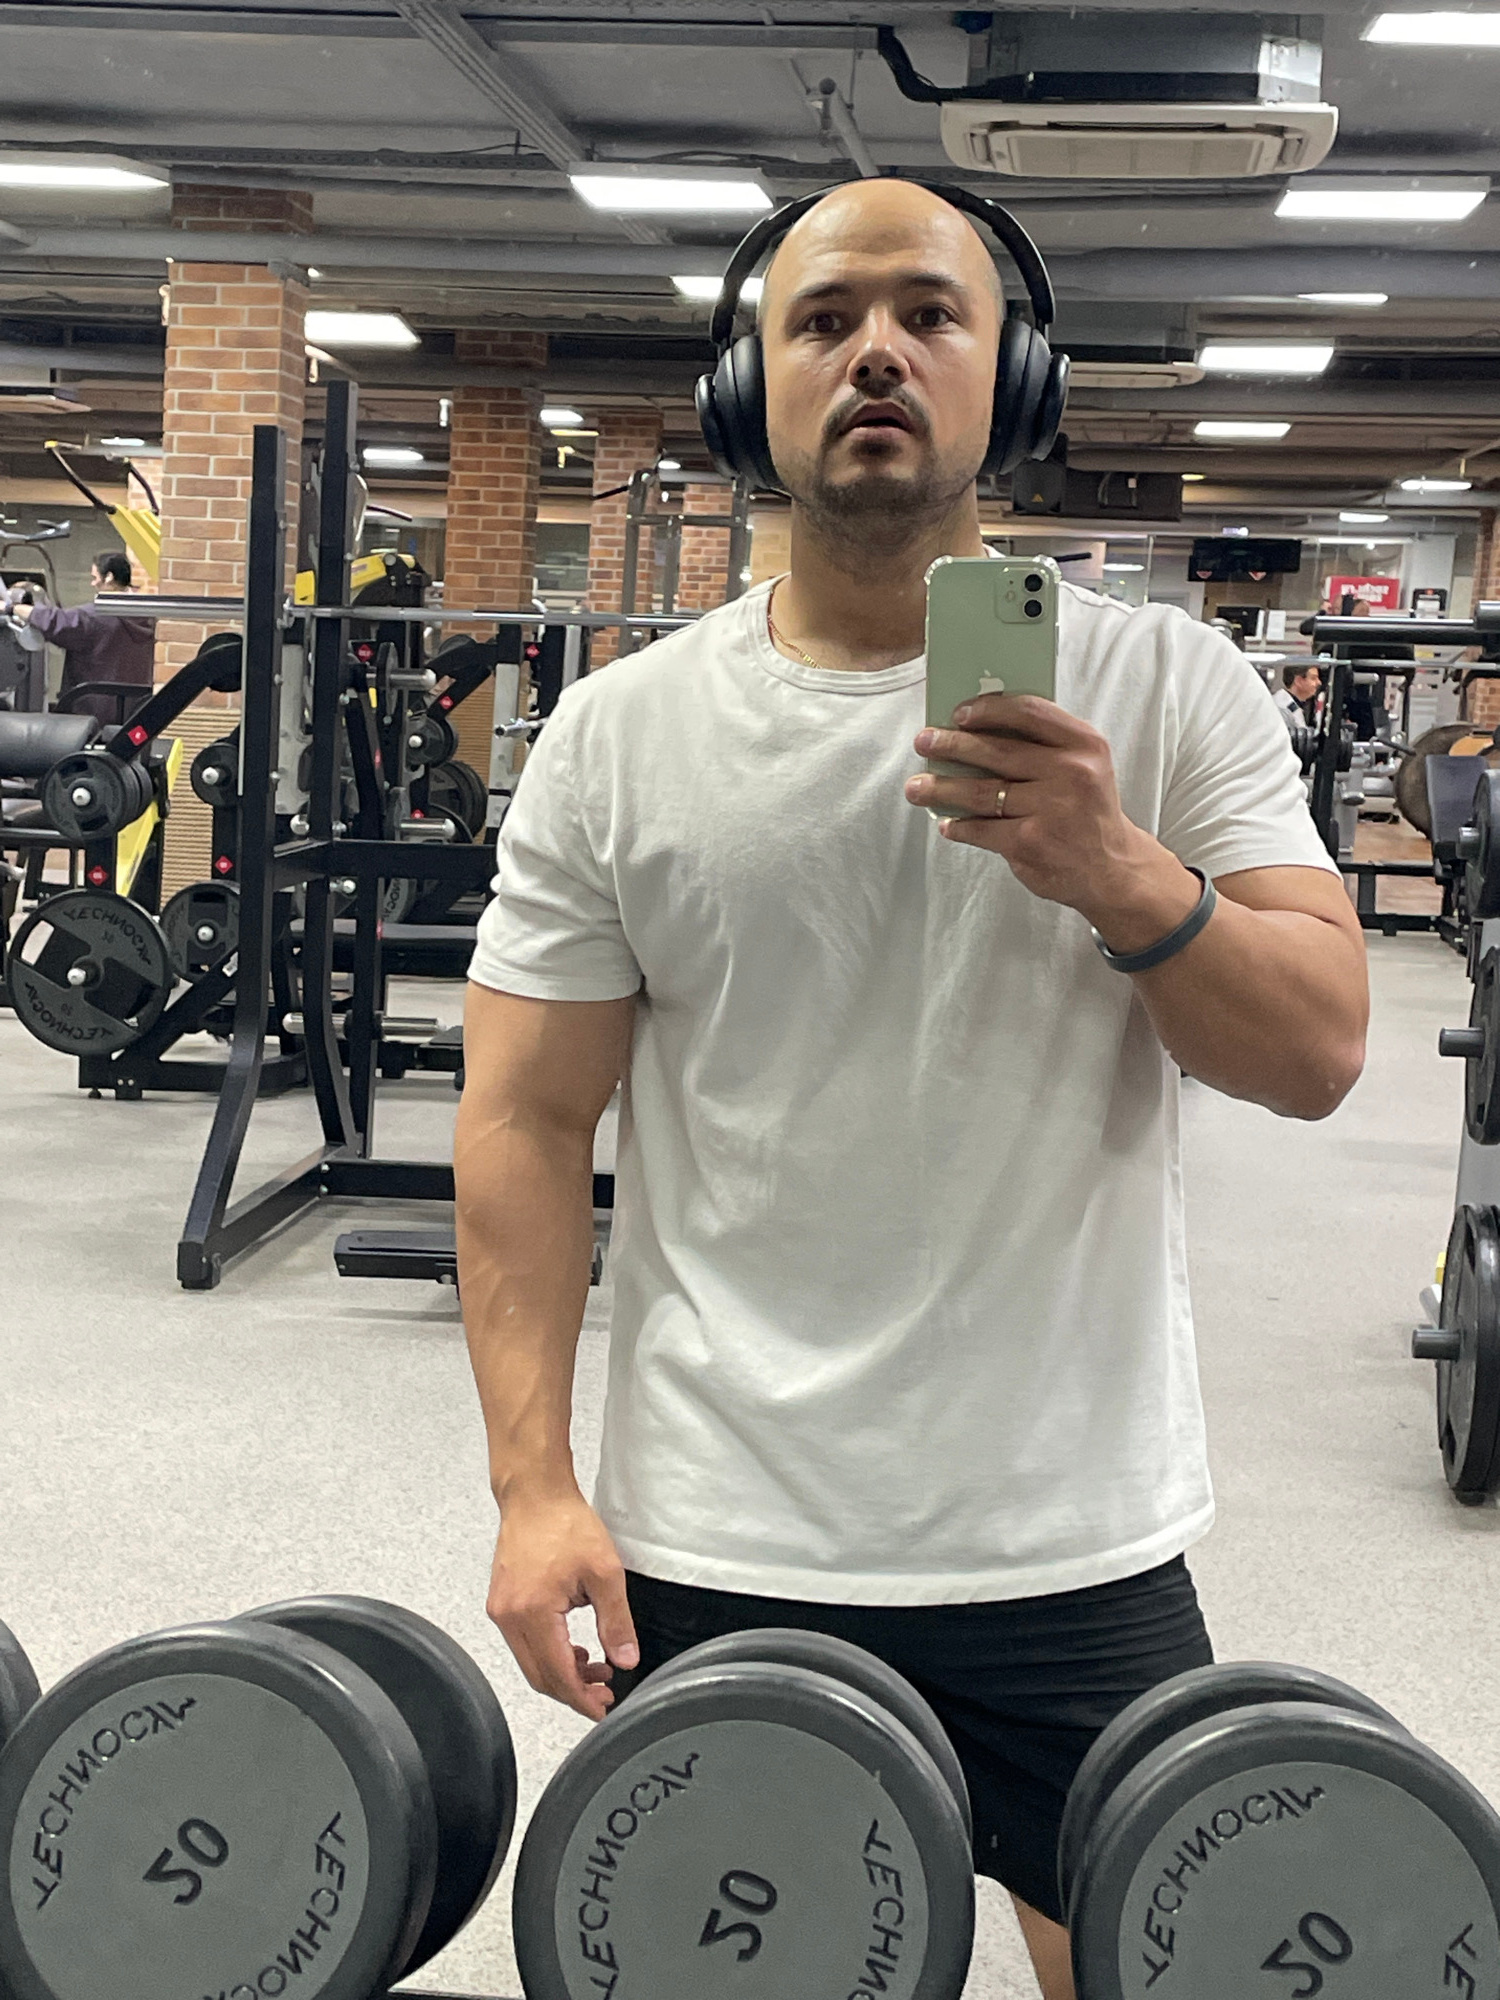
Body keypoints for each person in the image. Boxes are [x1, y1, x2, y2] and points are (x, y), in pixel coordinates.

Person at [454, 179, 1369, 2000]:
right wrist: (532, 1488)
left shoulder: (1170, 687)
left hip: (1067, 1533)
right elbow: (525, 1122)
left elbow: (1322, 1049)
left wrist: (1123, 874)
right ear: (752, 390)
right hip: (722, 1525)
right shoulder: (620, 731)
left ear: (1011, 378)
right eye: (824, 319)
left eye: (930, 314)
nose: (877, 350)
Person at [8, 550, 155, 723]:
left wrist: (12, 608)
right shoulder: (145, 615)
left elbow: (56, 622)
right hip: (133, 713)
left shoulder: (97, 617)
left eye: (94, 577)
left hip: (92, 715)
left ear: (108, 577)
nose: (92, 583)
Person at [1275, 661, 1321, 730]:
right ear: (1298, 681)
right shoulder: (1282, 707)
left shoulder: (1296, 704)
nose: (1319, 682)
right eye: (1313, 678)